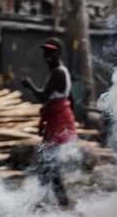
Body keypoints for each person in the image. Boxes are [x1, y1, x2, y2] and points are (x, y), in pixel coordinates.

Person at [21, 37, 76, 207]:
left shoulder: (58, 72)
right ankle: (59, 199)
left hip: (57, 120)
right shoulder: (61, 71)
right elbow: (71, 99)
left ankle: (48, 200)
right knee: (48, 163)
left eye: (51, 51)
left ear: (58, 52)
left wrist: (30, 85)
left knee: (46, 162)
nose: (47, 55)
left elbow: (43, 96)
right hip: (59, 118)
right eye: (45, 51)